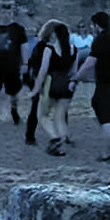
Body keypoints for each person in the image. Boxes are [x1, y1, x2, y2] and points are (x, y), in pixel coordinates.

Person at [74, 12, 110, 164]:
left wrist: (76, 77)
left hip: (105, 83)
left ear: (96, 25)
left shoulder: (101, 39)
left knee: (105, 118)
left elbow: (90, 62)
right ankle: (107, 152)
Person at [29, 21, 76, 157]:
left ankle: (54, 138)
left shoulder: (49, 49)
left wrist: (36, 89)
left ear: (55, 34)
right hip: (66, 84)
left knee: (42, 115)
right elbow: (74, 71)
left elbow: (43, 71)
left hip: (51, 83)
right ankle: (62, 142)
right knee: (60, 117)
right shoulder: (73, 50)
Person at [0, 11, 28, 130]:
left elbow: (23, 47)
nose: (5, 14)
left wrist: (25, 63)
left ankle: (14, 110)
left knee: (13, 91)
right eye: (3, 11)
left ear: (12, 14)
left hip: (12, 65)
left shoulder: (18, 29)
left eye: (8, 12)